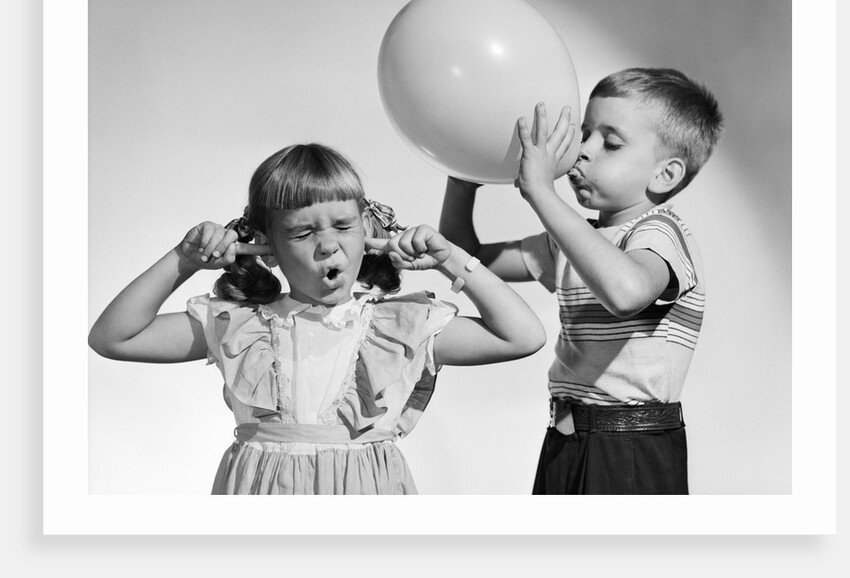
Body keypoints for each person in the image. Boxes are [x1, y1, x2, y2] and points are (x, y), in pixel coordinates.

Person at [88, 143, 546, 495]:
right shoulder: (241, 325)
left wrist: (454, 259)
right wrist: (183, 259)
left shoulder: (398, 326)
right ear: (266, 242)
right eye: (303, 232)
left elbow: (522, 337)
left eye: (343, 226)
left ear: (368, 229)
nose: (328, 246)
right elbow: (114, 338)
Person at [439, 68, 723, 494]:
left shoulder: (660, 233)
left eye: (610, 143)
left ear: (665, 175)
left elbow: (626, 293)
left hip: (630, 447)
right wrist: (462, 180)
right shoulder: (576, 239)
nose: (582, 151)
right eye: (584, 134)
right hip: (566, 441)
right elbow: (471, 258)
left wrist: (542, 194)